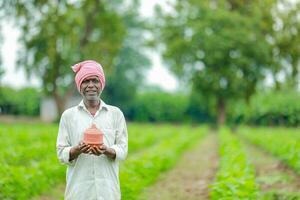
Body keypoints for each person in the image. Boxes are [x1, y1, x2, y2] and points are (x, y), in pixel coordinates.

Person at [56, 60, 128, 200]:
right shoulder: (69, 116)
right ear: (79, 86)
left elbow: (123, 149)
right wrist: (77, 149)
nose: (90, 85)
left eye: (95, 80)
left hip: (108, 192)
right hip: (78, 192)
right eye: (85, 81)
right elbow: (60, 152)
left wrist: (107, 150)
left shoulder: (115, 113)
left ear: (101, 84)